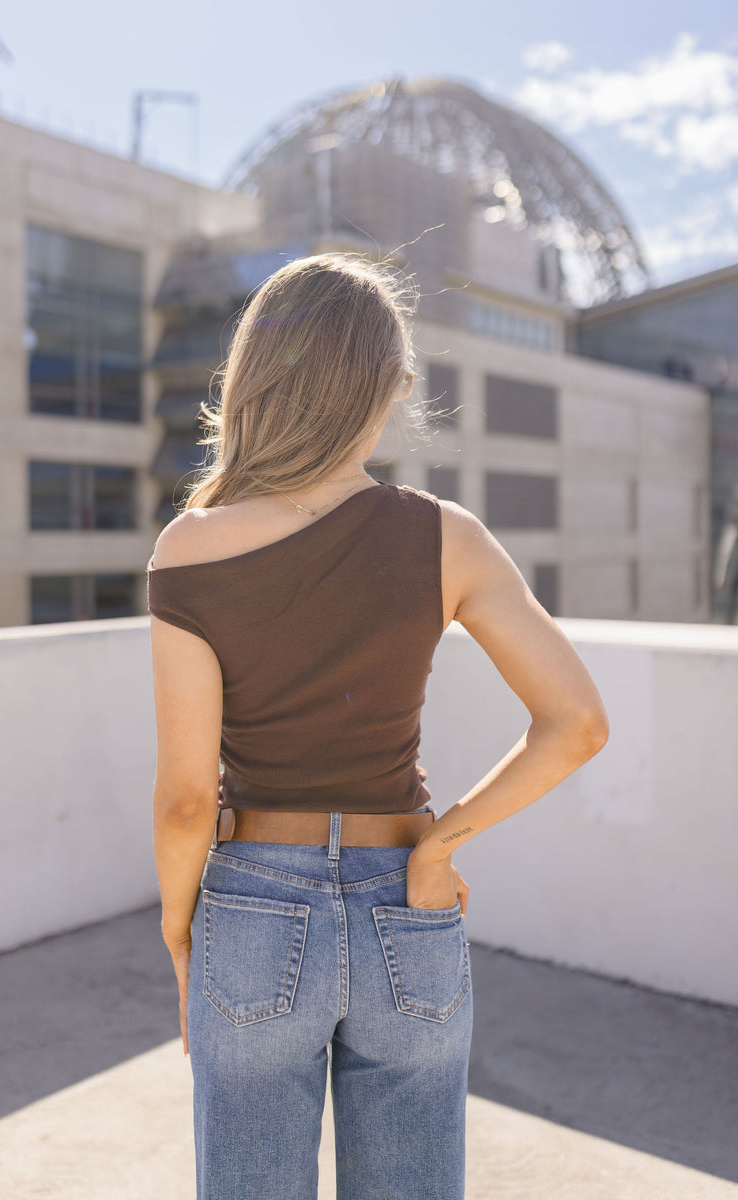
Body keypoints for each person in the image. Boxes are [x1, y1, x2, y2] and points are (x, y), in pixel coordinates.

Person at [146, 252, 609, 1200]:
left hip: (251, 905)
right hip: (408, 900)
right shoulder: (448, 536)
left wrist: (179, 927)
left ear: (255, 379)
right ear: (384, 388)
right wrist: (440, 847)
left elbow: (189, 800)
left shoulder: (189, 549)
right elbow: (577, 723)